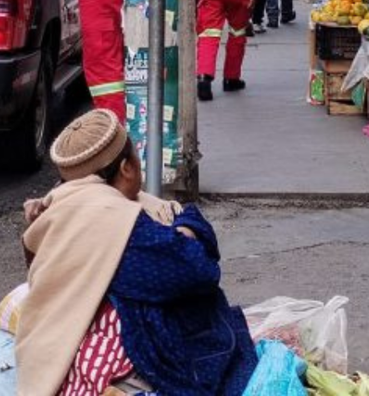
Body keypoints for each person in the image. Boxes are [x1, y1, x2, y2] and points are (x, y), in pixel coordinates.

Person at [14, 110, 258, 396]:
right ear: (127, 168)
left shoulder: (54, 208)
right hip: (108, 355)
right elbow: (200, 271)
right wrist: (187, 228)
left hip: (45, 350)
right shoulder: (118, 222)